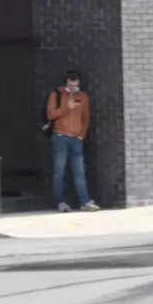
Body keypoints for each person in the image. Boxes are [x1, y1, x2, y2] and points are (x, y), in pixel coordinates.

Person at [45, 69, 100, 213]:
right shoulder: (56, 94)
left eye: (76, 86)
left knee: (79, 171)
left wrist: (81, 135)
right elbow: (50, 115)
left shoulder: (83, 97)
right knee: (59, 171)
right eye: (71, 86)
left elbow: (85, 118)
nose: (73, 88)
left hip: (76, 138)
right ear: (66, 84)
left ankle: (85, 201)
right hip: (60, 136)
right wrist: (65, 108)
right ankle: (61, 202)